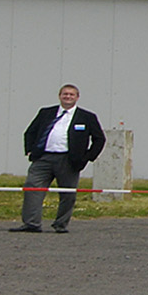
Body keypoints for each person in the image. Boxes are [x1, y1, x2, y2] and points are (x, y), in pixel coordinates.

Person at [15, 84, 105, 234]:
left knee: (67, 194)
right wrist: (30, 151)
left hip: (69, 161)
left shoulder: (87, 117)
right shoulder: (46, 112)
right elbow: (30, 132)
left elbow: (99, 139)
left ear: (77, 97)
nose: (68, 97)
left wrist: (87, 158)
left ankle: (60, 225)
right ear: (59, 96)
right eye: (65, 94)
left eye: (71, 94)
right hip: (43, 158)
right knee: (32, 187)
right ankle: (31, 223)